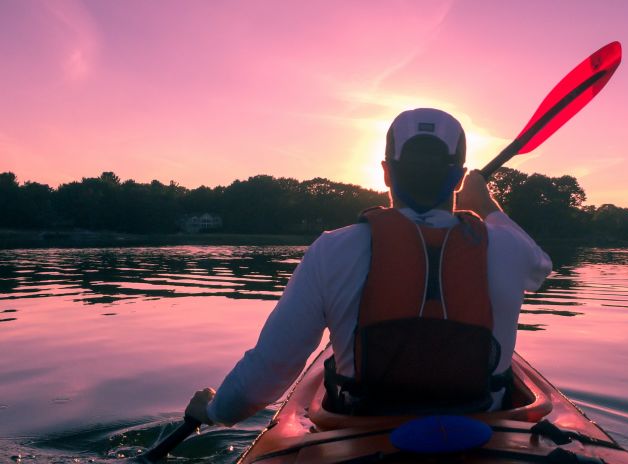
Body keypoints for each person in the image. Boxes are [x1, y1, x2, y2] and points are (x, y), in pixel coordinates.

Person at [185, 108, 552, 425]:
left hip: (363, 432)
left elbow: (266, 375)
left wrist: (214, 411)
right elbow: (541, 266)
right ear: (458, 177)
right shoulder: (508, 248)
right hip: (484, 431)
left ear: (386, 172)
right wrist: (485, 203)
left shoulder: (333, 250)